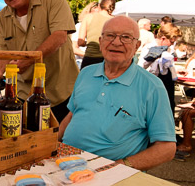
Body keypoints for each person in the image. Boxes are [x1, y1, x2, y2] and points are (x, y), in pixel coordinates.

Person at [59, 16, 176, 171]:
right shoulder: (86, 73)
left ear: (137, 46)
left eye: (126, 37)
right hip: (64, 162)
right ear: (100, 42)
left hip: (109, 173)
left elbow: (167, 148)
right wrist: (53, 144)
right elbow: (73, 114)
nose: (116, 42)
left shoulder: (152, 87)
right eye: (110, 35)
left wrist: (120, 166)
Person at [0, 0, 79, 123]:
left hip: (60, 93)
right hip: (23, 94)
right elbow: (4, 54)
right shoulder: (2, 16)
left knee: (59, 143)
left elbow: (60, 36)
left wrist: (29, 60)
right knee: (27, 143)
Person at [138, 23, 182, 115]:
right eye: (171, 41)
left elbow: (169, 64)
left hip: (167, 84)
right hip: (152, 83)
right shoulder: (149, 48)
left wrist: (176, 70)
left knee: (168, 107)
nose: (172, 44)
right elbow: (140, 67)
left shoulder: (169, 49)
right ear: (163, 38)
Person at [78, 0, 115, 69]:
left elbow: (80, 42)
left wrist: (90, 42)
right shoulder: (115, 20)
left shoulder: (88, 17)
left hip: (89, 58)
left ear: (99, 6)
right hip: (106, 60)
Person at [71, 2, 99, 69]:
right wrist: (90, 55)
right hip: (81, 63)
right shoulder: (79, 26)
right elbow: (74, 48)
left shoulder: (97, 27)